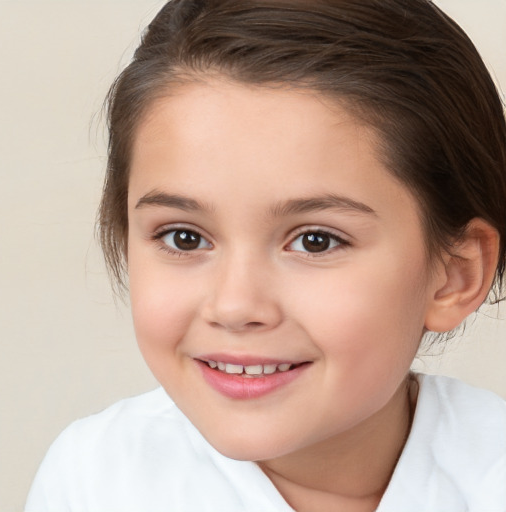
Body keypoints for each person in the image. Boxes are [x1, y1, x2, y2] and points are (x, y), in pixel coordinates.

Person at [25, 0, 506, 511]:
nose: (234, 307)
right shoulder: (96, 480)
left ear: (455, 274)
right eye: (185, 238)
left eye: (315, 240)